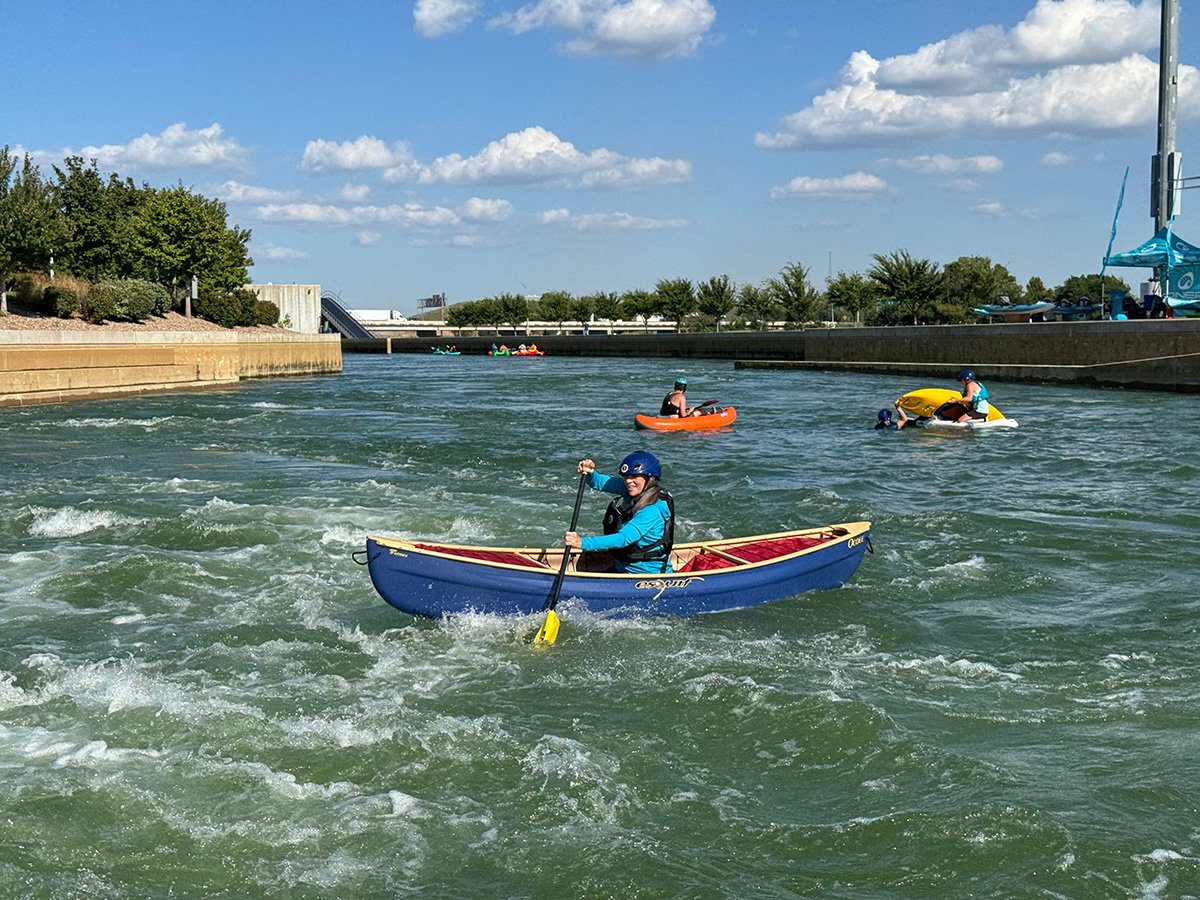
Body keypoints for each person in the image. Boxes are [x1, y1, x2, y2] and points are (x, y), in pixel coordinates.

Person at [563, 451, 674, 574]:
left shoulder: (652, 509)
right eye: (626, 476)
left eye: (634, 476)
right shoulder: (632, 488)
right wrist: (590, 473)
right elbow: (600, 483)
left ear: (650, 479)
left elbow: (623, 539)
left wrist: (582, 543)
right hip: (621, 567)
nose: (628, 481)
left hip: (645, 574)